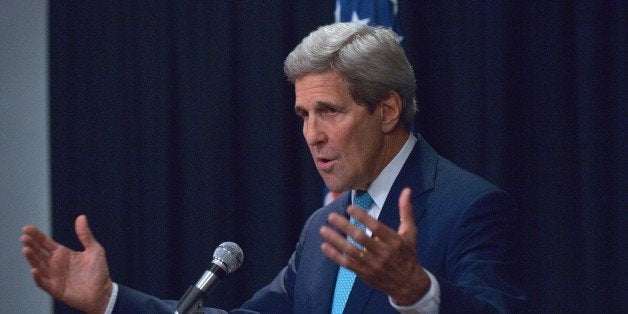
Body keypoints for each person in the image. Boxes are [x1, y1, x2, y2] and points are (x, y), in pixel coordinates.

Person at [21, 22, 525, 313]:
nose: (311, 135)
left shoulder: (470, 206)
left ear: (388, 110)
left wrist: (419, 293)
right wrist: (110, 300)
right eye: (304, 115)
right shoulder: (325, 226)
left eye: (330, 111)